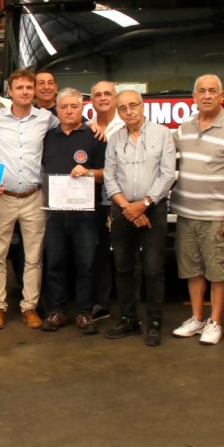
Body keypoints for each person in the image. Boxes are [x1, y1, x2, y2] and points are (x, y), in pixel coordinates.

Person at [170, 74, 224, 346]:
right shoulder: (184, 128)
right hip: (185, 213)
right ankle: (197, 318)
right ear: (194, 97)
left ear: (221, 95)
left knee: (217, 271)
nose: (206, 96)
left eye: (212, 91)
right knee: (192, 270)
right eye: (201, 91)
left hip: (217, 217)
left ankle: (215, 321)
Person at [0, 69, 56, 331]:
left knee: (34, 256)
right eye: (20, 87)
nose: (25, 91)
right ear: (10, 91)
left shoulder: (46, 118)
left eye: (29, 87)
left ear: (34, 91)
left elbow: (70, 129)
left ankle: (29, 307)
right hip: (2, 198)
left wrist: (93, 126)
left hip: (34, 197)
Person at [102, 91, 177, 346]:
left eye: (133, 105)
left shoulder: (162, 134)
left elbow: (168, 175)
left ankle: (154, 322)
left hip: (153, 207)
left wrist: (144, 205)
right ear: (118, 112)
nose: (128, 111)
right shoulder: (115, 139)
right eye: (122, 108)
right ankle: (128, 319)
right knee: (123, 267)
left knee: (153, 268)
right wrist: (129, 208)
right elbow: (110, 178)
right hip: (123, 210)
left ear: (142, 106)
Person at [39, 88, 105, 333]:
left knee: (85, 265)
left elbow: (107, 172)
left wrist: (89, 172)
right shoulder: (47, 137)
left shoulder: (94, 136)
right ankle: (56, 311)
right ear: (57, 109)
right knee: (54, 263)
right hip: (54, 214)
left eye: (74, 106)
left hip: (85, 215)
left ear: (82, 108)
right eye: (64, 107)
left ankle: (84, 313)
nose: (69, 111)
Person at [88, 80, 125, 322]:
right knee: (99, 252)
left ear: (115, 98)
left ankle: (128, 309)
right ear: (91, 101)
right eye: (97, 95)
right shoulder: (86, 128)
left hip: (123, 201)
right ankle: (102, 303)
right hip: (94, 201)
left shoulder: (126, 126)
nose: (102, 98)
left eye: (107, 94)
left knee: (125, 255)